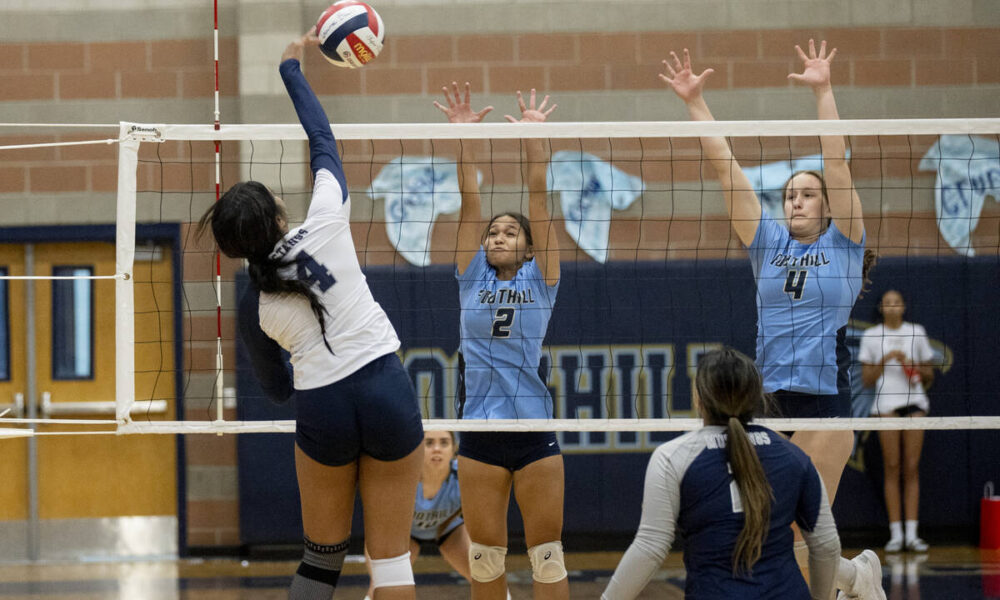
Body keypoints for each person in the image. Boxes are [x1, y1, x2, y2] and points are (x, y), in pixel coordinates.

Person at [198, 30, 424, 600]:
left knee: (321, 563)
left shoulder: (255, 303)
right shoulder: (325, 218)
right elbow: (322, 139)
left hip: (323, 406)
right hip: (383, 386)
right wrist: (291, 69)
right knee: (392, 559)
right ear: (277, 212)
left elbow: (276, 390)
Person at [660, 41, 881, 598]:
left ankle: (848, 581)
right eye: (790, 195)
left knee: (798, 532)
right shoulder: (766, 243)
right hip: (767, 402)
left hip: (824, 403)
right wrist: (695, 103)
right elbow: (726, 167)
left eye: (808, 195)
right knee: (769, 533)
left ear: (829, 205)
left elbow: (836, 161)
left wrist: (824, 92)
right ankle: (858, 579)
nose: (797, 201)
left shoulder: (846, 243)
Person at [433, 82, 568, 600]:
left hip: (534, 429)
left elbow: (539, 198)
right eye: (494, 232)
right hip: (480, 434)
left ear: (530, 249)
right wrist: (465, 139)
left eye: (510, 232)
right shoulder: (471, 278)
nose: (497, 236)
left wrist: (536, 140)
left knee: (548, 557)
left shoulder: (542, 280)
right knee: (485, 560)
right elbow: (470, 202)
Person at [602, 347, 874, 600]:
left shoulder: (673, 457)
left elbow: (650, 548)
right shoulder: (795, 458)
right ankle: (860, 578)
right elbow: (825, 547)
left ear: (698, 398)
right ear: (757, 397)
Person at [860, 290, 937, 552]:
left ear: (903, 306)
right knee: (891, 466)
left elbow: (929, 376)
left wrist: (911, 362)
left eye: (897, 302)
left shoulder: (916, 331)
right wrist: (884, 360)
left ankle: (912, 534)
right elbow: (866, 380)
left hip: (915, 403)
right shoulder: (871, 336)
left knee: (911, 467)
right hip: (886, 406)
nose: (892, 306)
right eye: (887, 303)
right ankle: (895, 534)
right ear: (881, 308)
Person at [363, 430, 474, 599]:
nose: (437, 449)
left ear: (453, 450)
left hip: (448, 531)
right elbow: (380, 523)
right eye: (429, 443)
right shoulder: (403, 475)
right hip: (404, 534)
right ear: (418, 448)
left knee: (484, 573)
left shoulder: (466, 475)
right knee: (382, 584)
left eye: (444, 443)